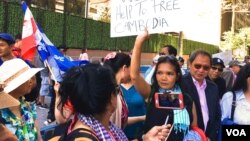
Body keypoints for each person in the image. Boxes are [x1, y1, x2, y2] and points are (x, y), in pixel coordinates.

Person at [54, 64, 171, 141]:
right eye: (117, 90)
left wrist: (145, 138)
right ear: (111, 99)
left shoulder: (101, 127)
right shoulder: (85, 137)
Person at [131, 29, 197, 141]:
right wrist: (139, 42)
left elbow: (195, 128)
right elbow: (134, 76)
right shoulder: (151, 93)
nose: (163, 77)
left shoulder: (187, 98)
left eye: (169, 73)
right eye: (159, 72)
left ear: (177, 75)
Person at [182, 50, 221, 141]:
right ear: (190, 64)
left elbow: (217, 115)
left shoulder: (213, 87)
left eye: (206, 67)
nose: (201, 70)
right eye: (197, 66)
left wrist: (210, 137)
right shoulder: (180, 84)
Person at [0, 58, 43, 141]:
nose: (30, 81)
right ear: (14, 86)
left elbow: (38, 135)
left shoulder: (29, 105)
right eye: (26, 78)